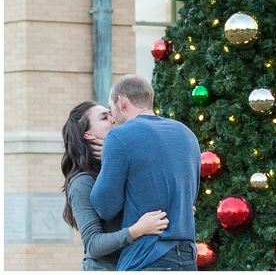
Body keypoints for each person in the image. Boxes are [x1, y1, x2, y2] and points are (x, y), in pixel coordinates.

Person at [90, 74, 201, 271]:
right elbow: (189, 198)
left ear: (121, 102)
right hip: (187, 257)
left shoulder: (119, 136)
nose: (112, 117)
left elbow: (105, 206)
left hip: (146, 257)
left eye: (110, 108)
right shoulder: (187, 134)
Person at [62, 101, 170, 270]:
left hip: (137, 263)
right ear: (89, 134)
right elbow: (93, 244)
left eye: (110, 114)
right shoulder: (82, 182)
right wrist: (137, 230)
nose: (112, 119)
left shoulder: (125, 165)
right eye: (104, 118)